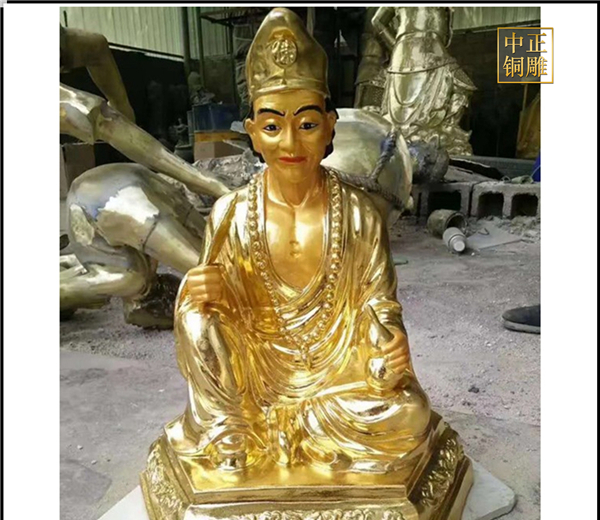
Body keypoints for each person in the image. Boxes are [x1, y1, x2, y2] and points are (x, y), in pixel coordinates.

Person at [166, 7, 432, 472]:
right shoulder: (231, 214)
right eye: (272, 127)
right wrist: (195, 294)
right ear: (253, 134)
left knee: (410, 414)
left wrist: (390, 342)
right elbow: (216, 314)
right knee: (195, 319)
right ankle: (237, 430)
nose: (290, 143)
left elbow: (378, 301)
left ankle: (275, 432)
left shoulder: (358, 213)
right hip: (257, 375)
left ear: (330, 127)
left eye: (307, 125)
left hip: (337, 374)